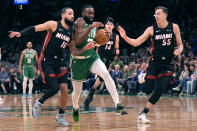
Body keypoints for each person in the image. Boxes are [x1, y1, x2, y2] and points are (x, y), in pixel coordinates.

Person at [9, 7, 95, 126]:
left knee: (65, 89)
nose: (72, 16)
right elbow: (35, 28)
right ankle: (39, 102)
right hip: (46, 60)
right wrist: (21, 33)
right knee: (54, 88)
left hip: (59, 63)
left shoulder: (72, 33)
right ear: (63, 15)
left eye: (73, 14)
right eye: (70, 14)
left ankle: (60, 116)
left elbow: (74, 52)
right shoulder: (53, 25)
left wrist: (86, 48)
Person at [118, 6, 183, 124]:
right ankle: (144, 76)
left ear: (165, 15)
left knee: (160, 89)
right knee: (147, 90)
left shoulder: (174, 27)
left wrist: (179, 50)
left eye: (158, 14)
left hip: (168, 64)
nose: (156, 16)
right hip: (154, 63)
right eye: (155, 14)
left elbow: (180, 45)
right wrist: (124, 37)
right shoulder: (151, 29)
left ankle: (143, 114)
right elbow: (136, 42)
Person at [71, 4, 127, 122]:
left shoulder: (97, 28)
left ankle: (117, 105)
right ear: (82, 14)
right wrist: (91, 27)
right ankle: (75, 108)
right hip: (79, 60)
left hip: (92, 57)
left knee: (106, 74)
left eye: (92, 13)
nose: (91, 15)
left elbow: (94, 42)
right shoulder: (79, 23)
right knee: (77, 92)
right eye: (88, 13)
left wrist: (100, 41)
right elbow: (78, 40)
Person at [84, 17, 120, 110]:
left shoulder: (116, 36)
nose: (109, 25)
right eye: (107, 24)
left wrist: (117, 50)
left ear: (113, 26)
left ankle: (92, 89)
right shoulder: (100, 33)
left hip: (108, 59)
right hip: (98, 57)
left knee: (102, 78)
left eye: (111, 24)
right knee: (105, 76)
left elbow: (116, 47)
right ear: (105, 25)